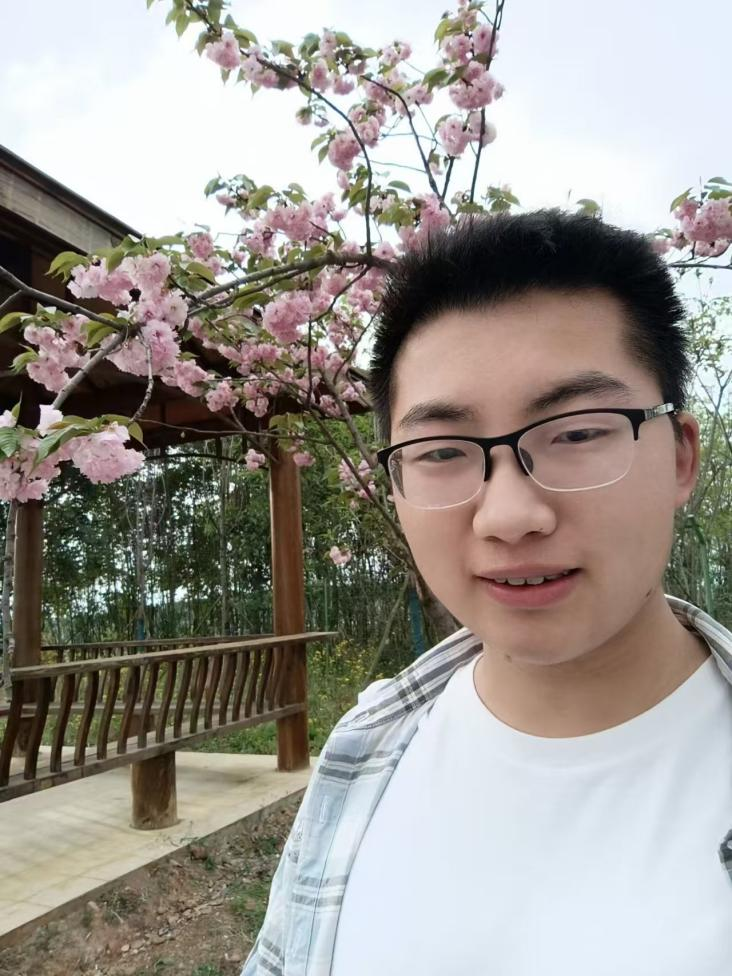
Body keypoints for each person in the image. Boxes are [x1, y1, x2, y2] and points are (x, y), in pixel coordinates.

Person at [242, 210, 732, 976]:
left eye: (576, 432)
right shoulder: (365, 750)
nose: (508, 516)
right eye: (441, 452)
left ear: (680, 457)